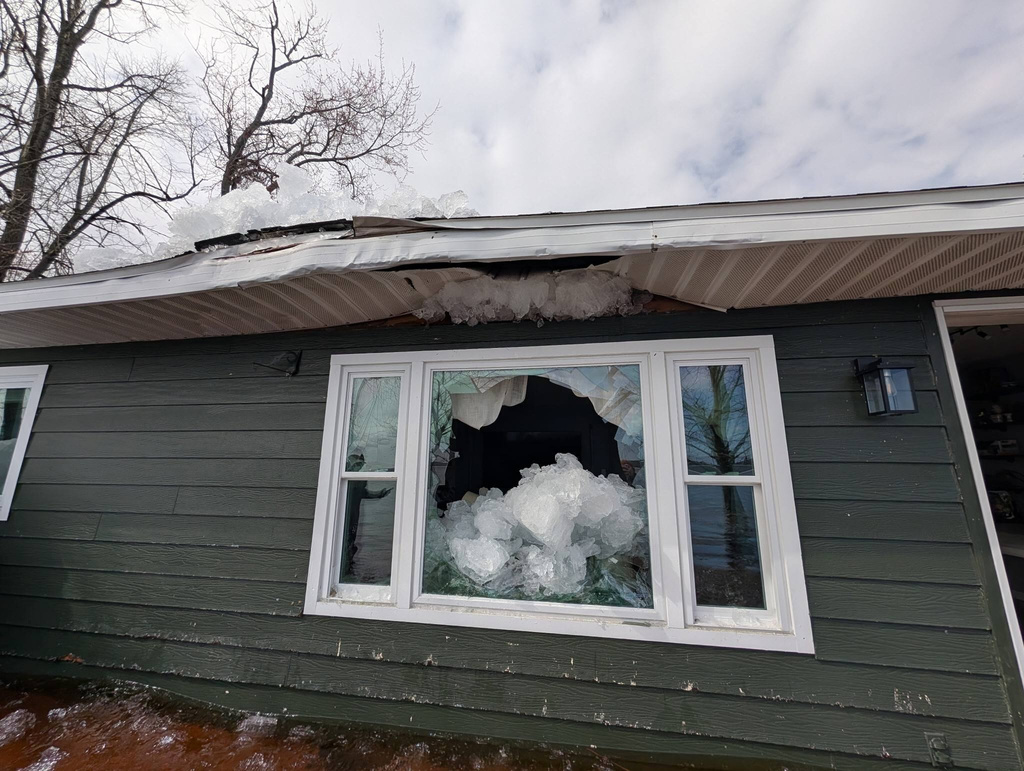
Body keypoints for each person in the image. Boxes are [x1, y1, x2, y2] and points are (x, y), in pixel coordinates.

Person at [340, 451, 393, 583]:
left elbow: (362, 493)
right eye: (357, 463)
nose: (359, 466)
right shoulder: (347, 475)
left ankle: (349, 567)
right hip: (343, 513)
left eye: (360, 464)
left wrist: (379, 494)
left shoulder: (361, 478)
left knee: (352, 539)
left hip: (354, 514)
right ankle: (344, 569)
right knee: (344, 539)